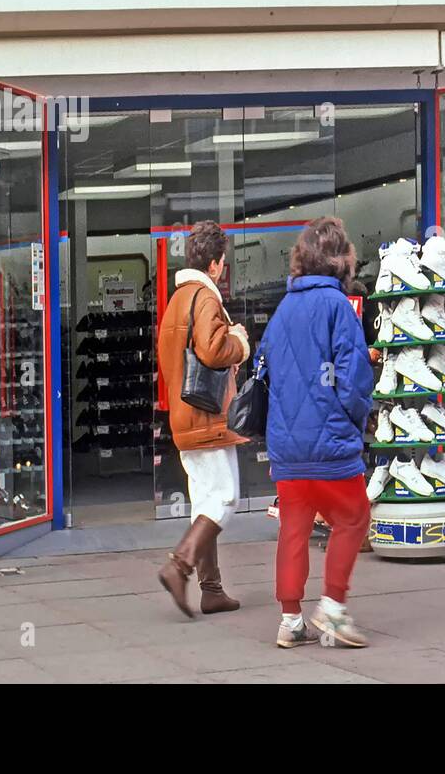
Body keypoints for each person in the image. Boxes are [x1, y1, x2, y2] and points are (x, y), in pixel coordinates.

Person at [259, 216, 374, 648]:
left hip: (288, 449)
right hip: (331, 446)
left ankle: (290, 619)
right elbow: (355, 378)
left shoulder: (283, 310)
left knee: (294, 528)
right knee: (354, 516)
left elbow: (267, 370)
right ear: (342, 260)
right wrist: (356, 419)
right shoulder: (338, 308)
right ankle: (333, 608)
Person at [155, 221, 251, 618]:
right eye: (222, 262)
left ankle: (212, 590)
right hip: (207, 417)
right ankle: (179, 566)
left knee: (204, 500)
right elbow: (213, 352)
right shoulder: (206, 298)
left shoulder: (178, 299)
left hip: (184, 415)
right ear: (214, 264)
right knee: (226, 496)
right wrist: (240, 342)